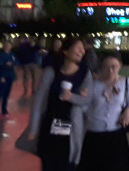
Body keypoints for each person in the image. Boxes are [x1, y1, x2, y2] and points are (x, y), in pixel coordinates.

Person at [26, 37, 93, 171]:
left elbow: (88, 100)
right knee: (49, 163)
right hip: (50, 124)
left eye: (83, 49)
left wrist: (72, 97)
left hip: (70, 126)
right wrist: (33, 129)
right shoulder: (52, 72)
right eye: (78, 48)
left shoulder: (85, 74)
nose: (81, 51)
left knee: (66, 163)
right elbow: (38, 101)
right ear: (66, 51)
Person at [78, 54, 129, 171]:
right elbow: (84, 106)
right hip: (94, 132)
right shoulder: (92, 83)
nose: (110, 70)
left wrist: (127, 112)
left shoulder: (126, 82)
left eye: (114, 67)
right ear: (102, 67)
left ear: (120, 66)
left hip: (116, 133)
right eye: (107, 67)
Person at [0, 41, 19, 118]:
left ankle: (4, 109)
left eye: (9, 46)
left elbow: (16, 62)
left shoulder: (12, 54)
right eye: (6, 45)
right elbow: (0, 65)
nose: (8, 47)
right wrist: (6, 65)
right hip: (3, 76)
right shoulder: (1, 55)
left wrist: (13, 65)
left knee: (6, 94)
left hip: (10, 76)